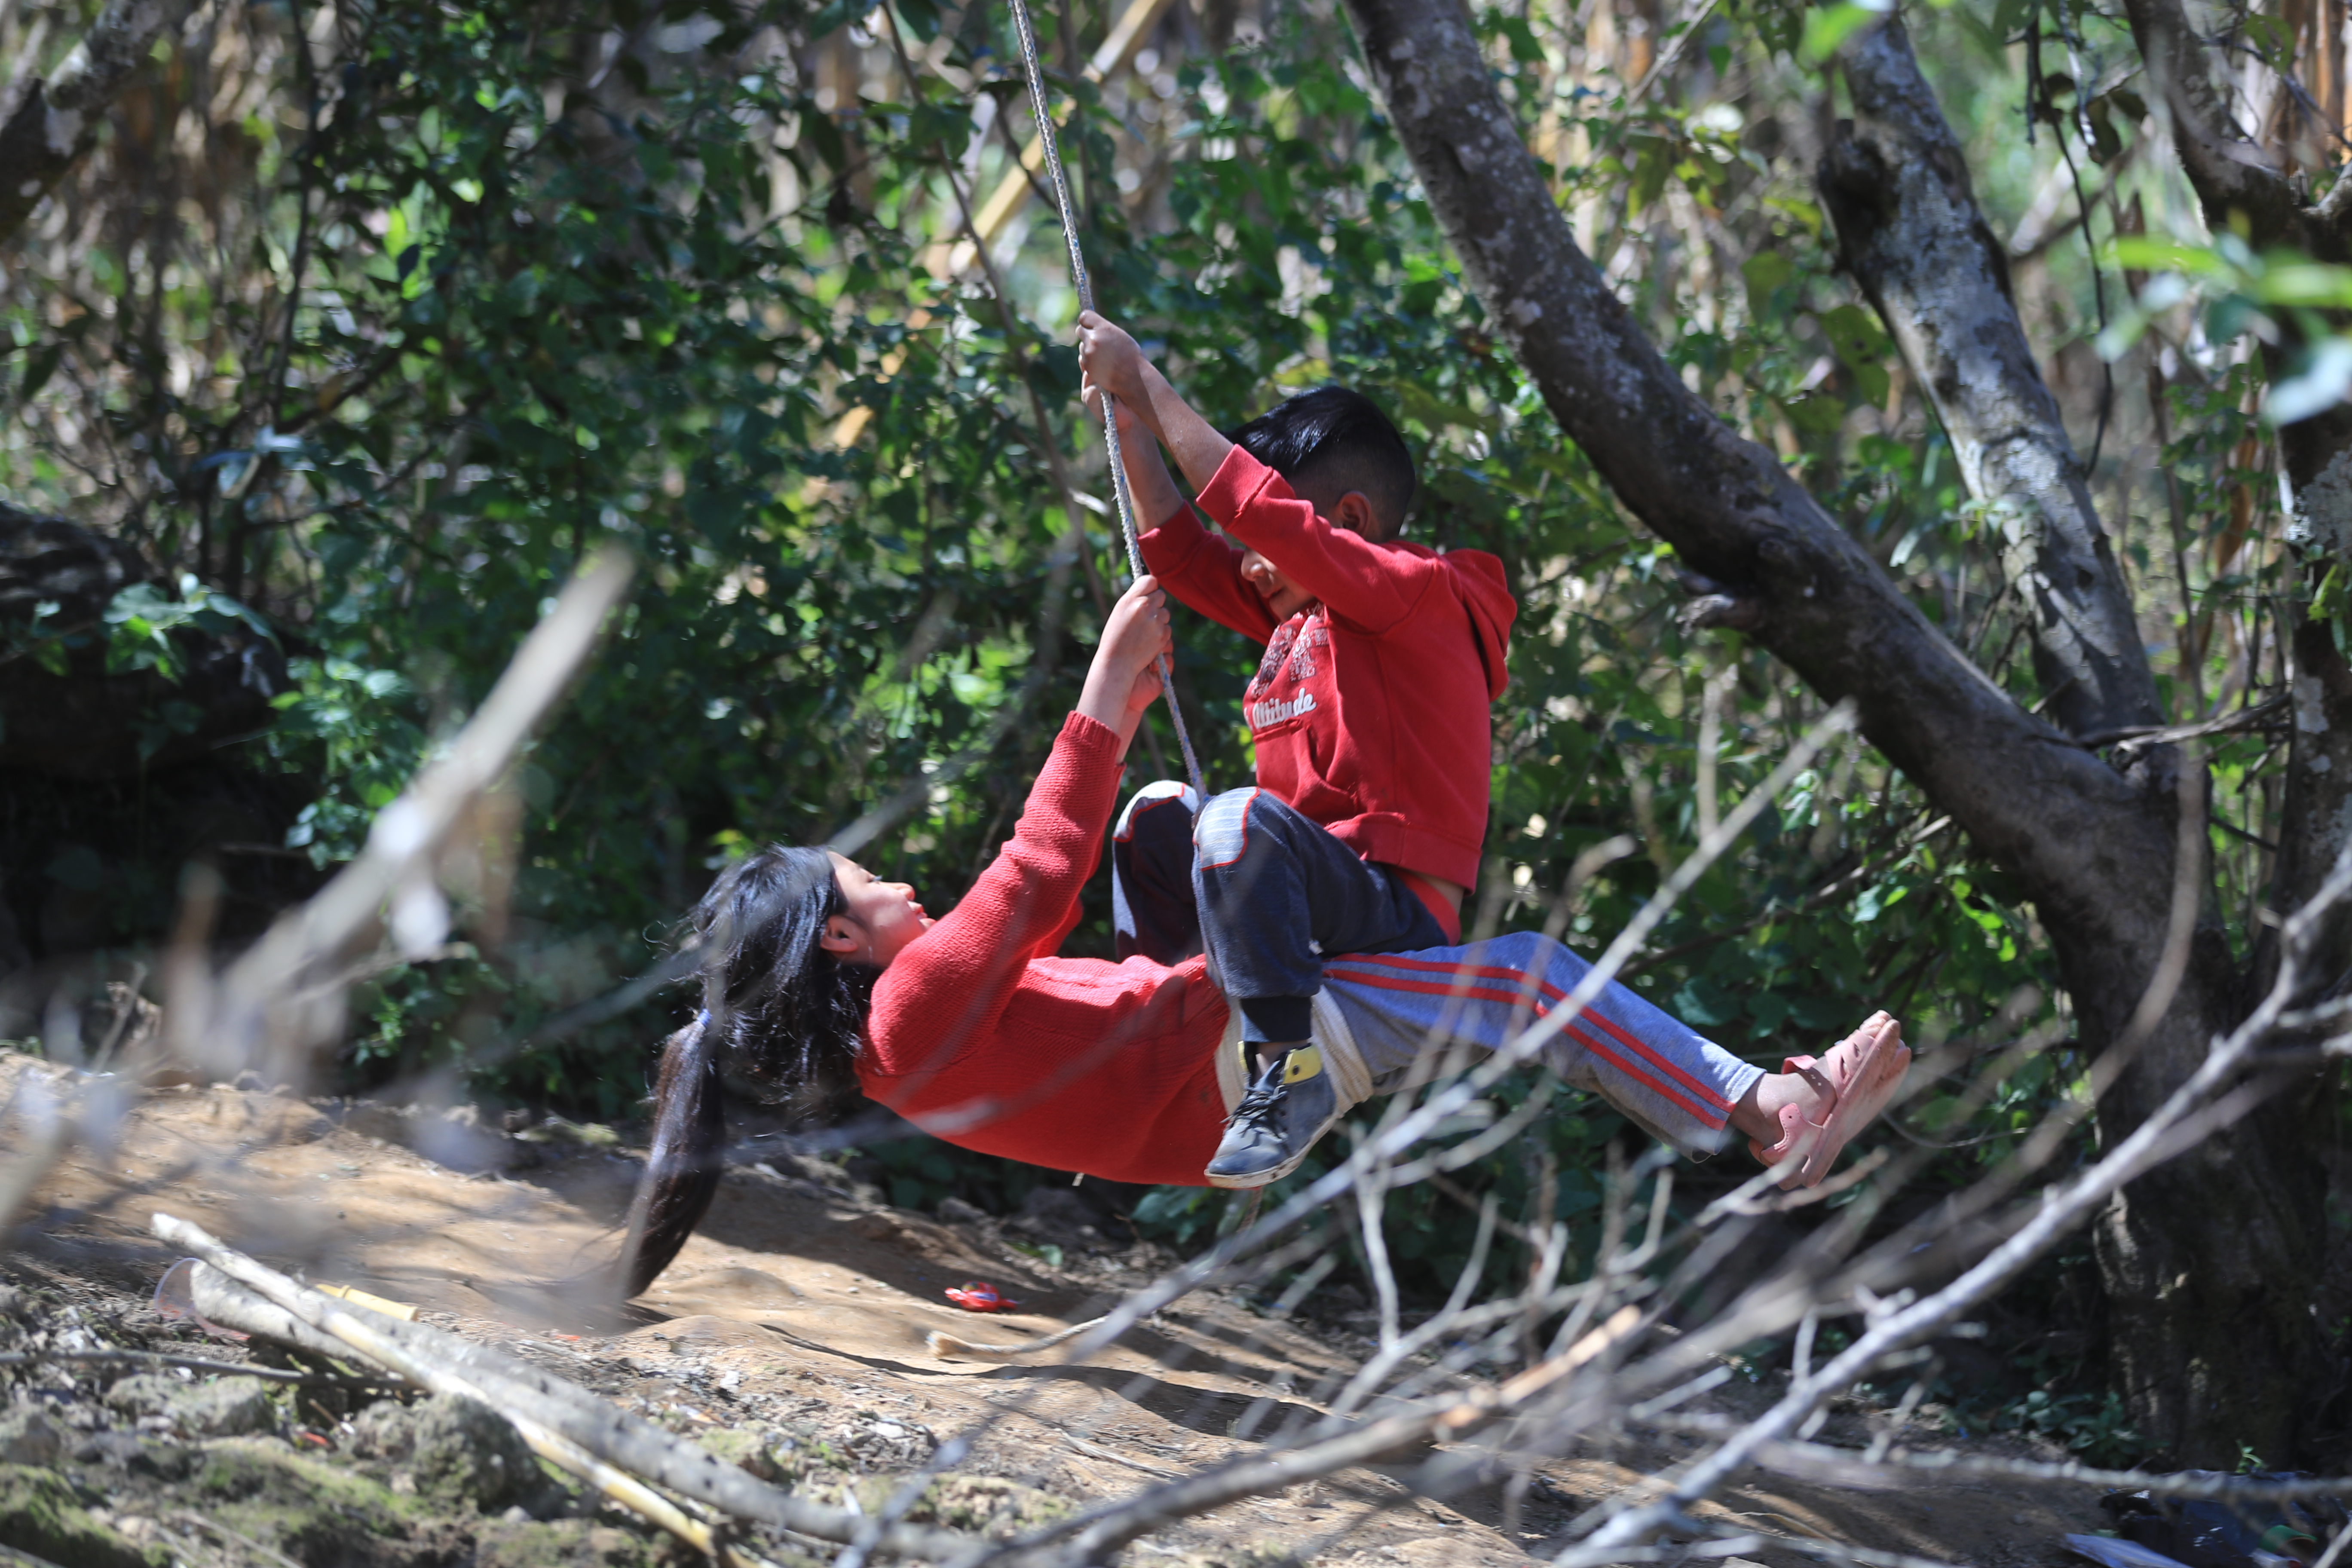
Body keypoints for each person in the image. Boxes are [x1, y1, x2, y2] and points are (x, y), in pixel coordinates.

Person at [614, 579, 1912, 1297]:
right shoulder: (911, 1009)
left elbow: (1081, 908)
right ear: (841, 934)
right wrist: (1105, 688)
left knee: (1166, 819)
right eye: (869, 873)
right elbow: (1035, 874)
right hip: (1245, 1085)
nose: (896, 873)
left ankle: (1276, 921)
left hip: (1205, 1068)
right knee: (1523, 978)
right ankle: (1769, 1111)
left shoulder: (907, 1041)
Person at [1075, 312, 1521, 1186]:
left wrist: (1147, 379)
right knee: (1156, 817)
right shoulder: (1306, 612)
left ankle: (1288, 1070)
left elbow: (1248, 510)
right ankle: (1169, 1037)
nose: (1249, 566)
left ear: (1348, 522)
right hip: (1318, 899)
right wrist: (1127, 424)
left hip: (1395, 916)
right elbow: (1180, 550)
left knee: (1237, 822)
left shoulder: (1416, 596)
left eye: (1265, 547)